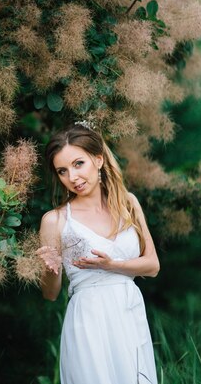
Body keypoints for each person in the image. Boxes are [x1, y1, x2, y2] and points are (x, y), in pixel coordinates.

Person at [35, 122, 160, 384]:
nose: (73, 177)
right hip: (87, 318)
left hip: (128, 311)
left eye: (78, 164)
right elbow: (50, 293)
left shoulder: (129, 203)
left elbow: (152, 265)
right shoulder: (55, 221)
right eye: (62, 171)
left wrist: (112, 265)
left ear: (98, 159)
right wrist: (50, 268)